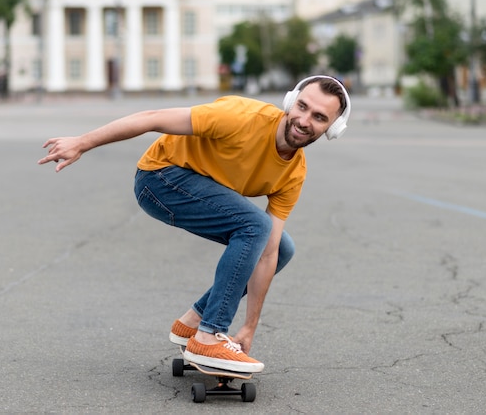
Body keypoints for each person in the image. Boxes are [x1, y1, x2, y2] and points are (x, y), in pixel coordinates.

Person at [38, 75, 351, 374]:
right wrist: (82, 142)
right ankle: (208, 336)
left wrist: (249, 327)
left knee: (281, 248)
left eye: (320, 118)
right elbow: (152, 117)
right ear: (291, 102)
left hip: (196, 188)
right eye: (303, 107)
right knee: (255, 225)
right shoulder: (241, 117)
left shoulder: (294, 172)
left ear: (331, 129)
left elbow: (268, 255)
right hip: (159, 178)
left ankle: (194, 321)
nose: (305, 120)